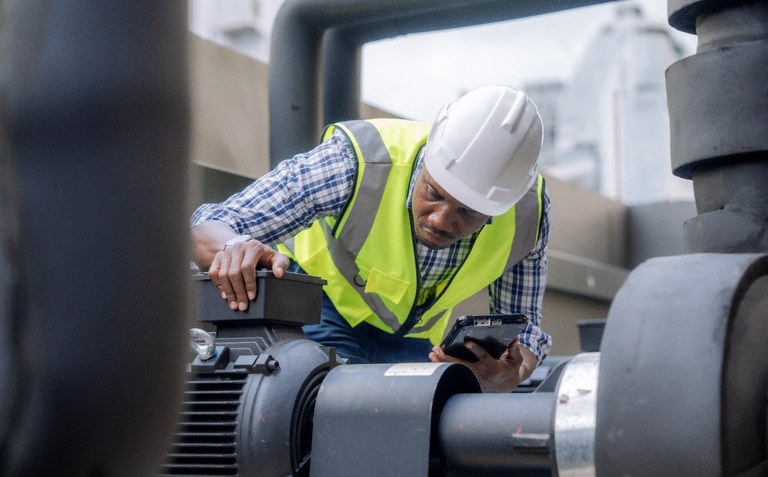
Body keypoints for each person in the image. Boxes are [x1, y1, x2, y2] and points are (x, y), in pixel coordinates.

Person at [191, 84, 552, 392]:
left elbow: (526, 324)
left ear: (501, 206)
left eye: (468, 211)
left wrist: (515, 372)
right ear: (428, 157)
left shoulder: (528, 214)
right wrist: (231, 249)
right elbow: (212, 221)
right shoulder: (359, 161)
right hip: (319, 308)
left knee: (424, 426)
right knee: (317, 413)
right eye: (435, 193)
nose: (441, 220)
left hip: (409, 336)